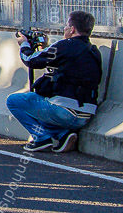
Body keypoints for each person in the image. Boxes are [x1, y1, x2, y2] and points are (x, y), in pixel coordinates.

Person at [6, 11, 102, 153]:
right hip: (86, 115)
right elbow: (63, 65)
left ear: (72, 29)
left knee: (14, 101)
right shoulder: (93, 51)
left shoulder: (65, 45)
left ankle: (41, 138)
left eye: (66, 26)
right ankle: (64, 135)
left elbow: (31, 60)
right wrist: (45, 47)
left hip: (64, 113)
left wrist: (24, 44)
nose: (64, 29)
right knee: (44, 105)